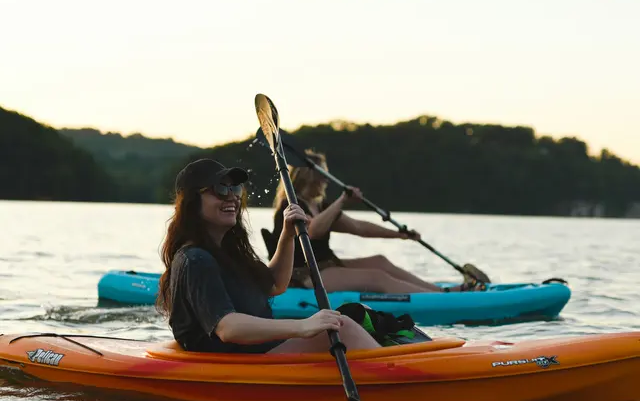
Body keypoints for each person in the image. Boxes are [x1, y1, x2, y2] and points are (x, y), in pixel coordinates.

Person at [156, 158, 380, 354]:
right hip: (235, 361)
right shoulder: (195, 259)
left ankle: (406, 356)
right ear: (192, 202)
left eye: (235, 189)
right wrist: (302, 326)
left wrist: (287, 236)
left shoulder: (227, 253)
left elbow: (275, 284)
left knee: (360, 313)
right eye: (220, 190)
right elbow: (228, 328)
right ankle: (402, 376)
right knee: (345, 327)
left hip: (259, 350)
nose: (232, 197)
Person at [272, 150, 485, 293]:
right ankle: (443, 299)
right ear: (310, 177)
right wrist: (343, 200)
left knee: (380, 261)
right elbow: (313, 231)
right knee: (376, 277)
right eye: (323, 175)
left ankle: (444, 292)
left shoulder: (320, 205)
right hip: (304, 276)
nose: (327, 179)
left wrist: (399, 235)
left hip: (326, 265)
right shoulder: (290, 206)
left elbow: (358, 227)